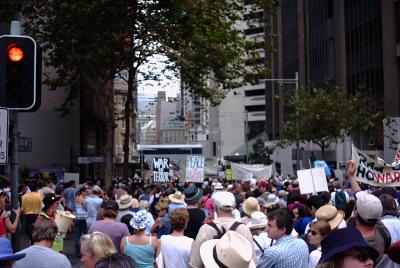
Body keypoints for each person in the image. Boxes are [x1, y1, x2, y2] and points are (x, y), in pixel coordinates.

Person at [190, 191, 256, 268]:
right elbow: (252, 261)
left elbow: (195, 263)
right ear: (234, 207)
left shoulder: (205, 229)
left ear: (215, 207)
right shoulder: (244, 229)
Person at [75, 186, 89, 257]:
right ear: (82, 192)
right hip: (83, 218)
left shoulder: (77, 198)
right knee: (86, 235)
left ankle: (78, 252)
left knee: (78, 235)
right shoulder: (83, 199)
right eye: (86, 191)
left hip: (78, 217)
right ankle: (83, 251)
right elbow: (86, 207)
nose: (87, 193)